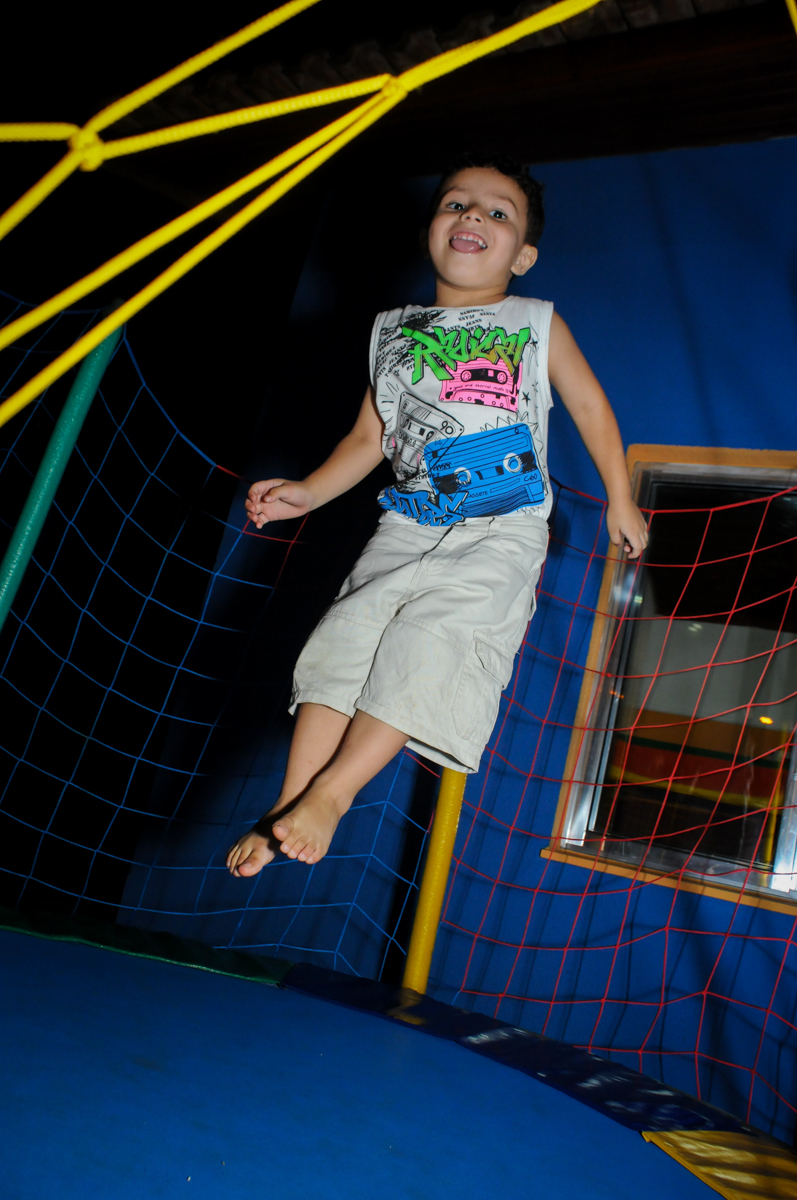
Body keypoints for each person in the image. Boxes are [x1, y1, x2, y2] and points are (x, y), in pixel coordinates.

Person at [227, 152, 647, 878]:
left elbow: (588, 407)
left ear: (522, 256)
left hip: (500, 525)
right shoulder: (391, 331)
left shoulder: (534, 322)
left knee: (431, 643)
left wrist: (620, 494)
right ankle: (288, 804)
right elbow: (368, 438)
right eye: (456, 203)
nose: (472, 215)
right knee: (345, 640)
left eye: (497, 212)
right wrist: (309, 492)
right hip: (408, 522)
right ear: (430, 230)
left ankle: (333, 793)